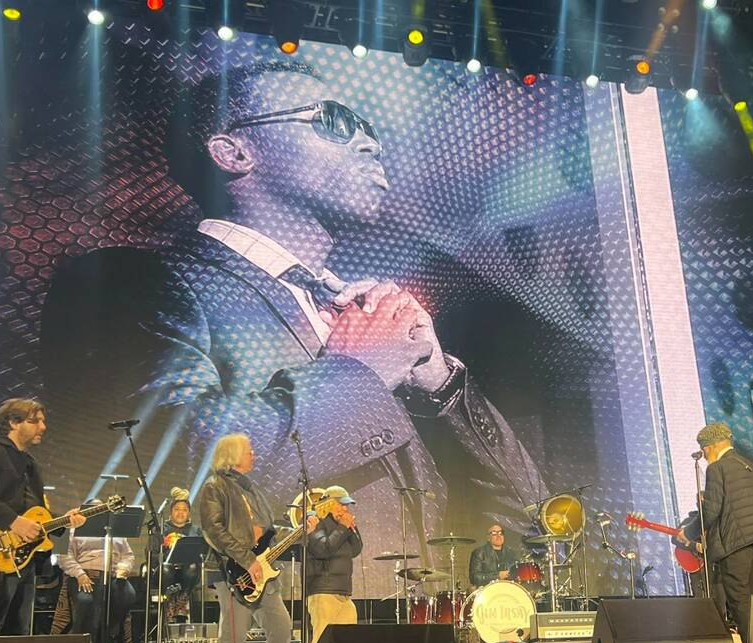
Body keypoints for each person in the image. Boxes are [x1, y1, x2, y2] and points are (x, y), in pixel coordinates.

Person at [40, 61, 547, 598]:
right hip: (264, 641)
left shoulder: (362, 317)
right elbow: (177, 478)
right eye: (333, 121)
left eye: (371, 130)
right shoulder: (132, 281)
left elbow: (529, 520)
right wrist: (357, 370)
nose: (371, 144)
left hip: (406, 634)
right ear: (234, 152)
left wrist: (442, 383)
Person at [199, 433, 312, 643]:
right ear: (234, 455)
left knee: (282, 628)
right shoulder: (215, 487)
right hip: (233, 572)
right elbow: (214, 530)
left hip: (263, 573)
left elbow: (268, 532)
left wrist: (300, 531)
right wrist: (246, 559)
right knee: (234, 638)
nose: (254, 455)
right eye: (250, 451)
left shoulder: (252, 489)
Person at [0, 398, 86, 636]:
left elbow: (34, 511)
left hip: (24, 559)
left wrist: (63, 520)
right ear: (12, 422)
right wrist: (13, 521)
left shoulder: (30, 463)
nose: (43, 427)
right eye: (35, 421)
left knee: (18, 632)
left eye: (43, 421)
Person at [696, 422, 753, 643]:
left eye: (705, 449)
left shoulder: (717, 469)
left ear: (714, 445)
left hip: (733, 545)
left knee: (739, 602)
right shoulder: (750, 466)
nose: (703, 455)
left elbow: (712, 510)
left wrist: (691, 531)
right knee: (750, 600)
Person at [61, 505, 137, 643]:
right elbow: (63, 556)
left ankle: (109, 637)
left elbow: (128, 555)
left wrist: (123, 568)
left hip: (112, 575)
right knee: (86, 601)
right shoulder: (72, 529)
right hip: (84, 574)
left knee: (127, 595)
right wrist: (79, 574)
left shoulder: (115, 531)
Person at [304, 485, 363, 643]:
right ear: (329, 504)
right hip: (324, 592)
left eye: (347, 505)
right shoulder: (316, 522)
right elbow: (322, 549)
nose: (345, 509)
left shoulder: (342, 527)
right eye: (341, 504)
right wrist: (343, 527)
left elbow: (356, 550)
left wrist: (351, 528)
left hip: (344, 593)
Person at [162, 487, 202, 623]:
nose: (181, 512)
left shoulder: (195, 531)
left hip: (188, 572)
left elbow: (201, 554)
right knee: (166, 569)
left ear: (189, 513)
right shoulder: (161, 528)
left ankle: (181, 601)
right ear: (171, 511)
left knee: (192, 566)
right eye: (177, 509)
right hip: (166, 570)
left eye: (184, 510)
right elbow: (152, 553)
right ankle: (170, 601)